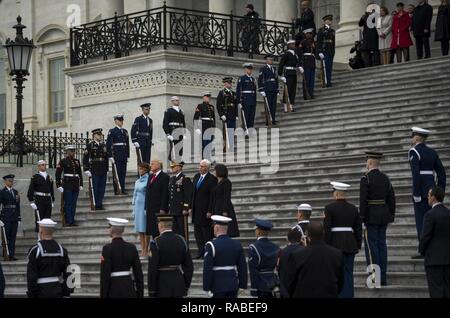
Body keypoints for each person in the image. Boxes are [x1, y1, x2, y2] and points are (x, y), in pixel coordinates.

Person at [409, 127, 446, 259]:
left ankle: (423, 250)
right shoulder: (432, 152)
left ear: (417, 138)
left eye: (412, 136)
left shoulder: (414, 152)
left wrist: (416, 194)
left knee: (422, 222)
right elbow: (442, 173)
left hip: (422, 193)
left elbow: (416, 176)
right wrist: (440, 191)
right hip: (433, 192)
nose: (411, 138)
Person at [360, 151, 396, 286]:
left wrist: (362, 217)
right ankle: (383, 278)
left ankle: (375, 279)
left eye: (366, 162)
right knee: (382, 246)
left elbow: (363, 200)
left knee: (371, 248)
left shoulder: (366, 178)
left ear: (369, 163)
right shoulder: (385, 178)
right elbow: (391, 198)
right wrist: (391, 214)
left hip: (371, 216)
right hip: (384, 215)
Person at [323, 181, 362, 298]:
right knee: (349, 273)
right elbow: (358, 228)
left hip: (334, 244)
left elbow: (327, 229)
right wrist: (358, 244)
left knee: (335, 273)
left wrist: (326, 245)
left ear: (335, 194)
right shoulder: (353, 208)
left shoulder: (329, 208)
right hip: (350, 243)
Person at [286, 221, 344, 298]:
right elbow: (340, 282)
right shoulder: (337, 254)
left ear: (307, 235)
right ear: (323, 233)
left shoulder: (297, 255)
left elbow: (291, 282)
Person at [148, 214, 194, 298]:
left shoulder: (155, 242)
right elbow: (189, 268)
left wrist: (152, 290)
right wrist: (185, 285)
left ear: (160, 225)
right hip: (178, 282)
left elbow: (152, 269)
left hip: (161, 283)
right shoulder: (182, 240)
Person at [203, 215, 247, 298]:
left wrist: (206, 287)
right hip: (233, 284)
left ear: (216, 228)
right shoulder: (237, 244)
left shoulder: (211, 245)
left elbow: (207, 268)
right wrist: (242, 285)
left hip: (217, 285)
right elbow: (242, 267)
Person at [26, 219, 73, 298]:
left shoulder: (35, 250)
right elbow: (69, 274)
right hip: (57, 290)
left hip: (40, 291)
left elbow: (31, 276)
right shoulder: (62, 250)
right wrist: (66, 292)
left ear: (41, 231)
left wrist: (31, 293)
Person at [100, 217, 144, 298]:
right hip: (129, 288)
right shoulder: (131, 247)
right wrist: (140, 294)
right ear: (122, 230)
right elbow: (138, 274)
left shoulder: (107, 249)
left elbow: (105, 277)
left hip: (113, 290)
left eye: (109, 227)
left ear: (111, 230)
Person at [419, 187, 450, 298]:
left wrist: (422, 251)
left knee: (436, 291)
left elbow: (425, 237)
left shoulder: (430, 215)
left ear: (433, 197)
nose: (427, 197)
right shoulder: (448, 213)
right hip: (448, 259)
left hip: (433, 260)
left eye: (429, 195)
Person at [191, 159, 218, 259]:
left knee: (206, 233)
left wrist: (210, 210)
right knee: (197, 233)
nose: (200, 168)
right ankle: (200, 251)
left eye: (202, 166)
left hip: (206, 210)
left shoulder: (212, 179)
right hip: (196, 210)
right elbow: (192, 193)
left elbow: (212, 197)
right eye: (200, 166)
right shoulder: (196, 177)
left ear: (207, 167)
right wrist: (190, 207)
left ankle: (208, 252)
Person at [248, 219, 280, 298]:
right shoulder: (275, 247)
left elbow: (253, 271)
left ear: (258, 232)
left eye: (255, 230)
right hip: (273, 284)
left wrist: (254, 290)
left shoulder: (254, 247)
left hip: (260, 285)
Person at [56, 145, 83, 227]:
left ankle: (72, 219)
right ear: (67, 151)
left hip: (75, 184)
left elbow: (80, 174)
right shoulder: (63, 161)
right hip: (67, 184)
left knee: (74, 203)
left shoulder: (77, 161)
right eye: (71, 151)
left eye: (74, 151)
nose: (73, 152)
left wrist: (81, 184)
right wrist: (58, 185)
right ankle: (69, 220)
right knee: (68, 203)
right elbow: (58, 173)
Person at [210, 164, 240, 238]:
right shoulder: (216, 182)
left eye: (215, 170)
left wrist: (225, 210)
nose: (214, 172)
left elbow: (227, 197)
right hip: (216, 206)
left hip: (223, 207)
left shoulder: (226, 182)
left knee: (224, 227)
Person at [83, 128, 109, 211]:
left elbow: (106, 158)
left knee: (102, 188)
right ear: (94, 135)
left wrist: (107, 169)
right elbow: (85, 158)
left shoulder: (103, 145)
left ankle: (99, 204)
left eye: (100, 135)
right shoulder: (90, 145)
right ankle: (95, 204)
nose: (100, 136)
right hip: (94, 169)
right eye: (98, 134)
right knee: (95, 188)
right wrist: (86, 169)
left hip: (103, 169)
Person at [27, 160, 55, 233]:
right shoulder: (35, 177)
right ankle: (40, 235)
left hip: (48, 199)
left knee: (47, 217)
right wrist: (31, 201)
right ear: (38, 166)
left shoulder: (49, 176)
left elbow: (51, 190)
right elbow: (31, 189)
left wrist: (52, 200)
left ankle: (46, 233)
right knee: (39, 217)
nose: (44, 166)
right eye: (42, 165)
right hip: (39, 199)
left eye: (45, 165)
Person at [145, 160, 169, 240]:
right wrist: (145, 206)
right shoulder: (150, 176)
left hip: (158, 207)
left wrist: (163, 208)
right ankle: (154, 247)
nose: (151, 165)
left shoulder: (164, 176)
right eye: (151, 164)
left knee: (158, 230)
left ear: (159, 165)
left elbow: (165, 193)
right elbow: (147, 192)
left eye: (153, 164)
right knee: (152, 230)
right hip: (150, 208)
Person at [168, 161, 192, 239]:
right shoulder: (172, 179)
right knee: (175, 231)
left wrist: (185, 208)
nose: (172, 168)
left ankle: (185, 248)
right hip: (173, 209)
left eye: (174, 167)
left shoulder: (185, 179)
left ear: (179, 167)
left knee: (182, 230)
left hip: (181, 209)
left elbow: (187, 195)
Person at [106, 114, 130, 195]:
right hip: (116, 154)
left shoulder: (125, 131)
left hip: (123, 154)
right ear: (116, 121)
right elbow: (108, 144)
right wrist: (110, 156)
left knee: (123, 173)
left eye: (122, 120)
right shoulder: (112, 131)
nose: (121, 122)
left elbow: (127, 144)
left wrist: (127, 155)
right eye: (120, 120)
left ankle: (122, 189)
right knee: (117, 173)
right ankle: (117, 189)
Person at [278, 229, 304, 298]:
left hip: (286, 290)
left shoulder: (282, 252)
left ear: (288, 239)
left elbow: (280, 270)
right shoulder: (305, 250)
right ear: (300, 239)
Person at [0, 174, 21, 261]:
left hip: (14, 217)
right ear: (5, 181)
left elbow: (18, 205)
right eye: (9, 181)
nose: (11, 182)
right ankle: (6, 254)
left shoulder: (15, 192)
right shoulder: (2, 192)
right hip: (6, 216)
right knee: (6, 236)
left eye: (12, 181)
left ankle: (12, 254)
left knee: (13, 237)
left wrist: (19, 217)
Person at [278, 40, 302, 112]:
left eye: (294, 44)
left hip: (294, 73)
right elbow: (281, 64)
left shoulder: (295, 54)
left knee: (293, 90)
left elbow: (297, 63)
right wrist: (280, 75)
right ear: (289, 46)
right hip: (288, 73)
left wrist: (299, 67)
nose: (294, 45)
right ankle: (285, 106)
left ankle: (291, 106)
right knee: (287, 90)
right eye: (292, 44)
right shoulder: (286, 54)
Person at [132, 163, 150, 257]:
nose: (140, 170)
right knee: (140, 229)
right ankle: (142, 249)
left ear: (146, 170)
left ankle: (146, 249)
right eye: (139, 169)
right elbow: (134, 194)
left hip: (144, 205)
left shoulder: (149, 180)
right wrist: (133, 207)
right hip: (137, 206)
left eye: (142, 169)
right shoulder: (137, 181)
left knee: (145, 229)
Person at [217, 77, 238, 151]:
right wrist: (221, 114)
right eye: (229, 83)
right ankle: (225, 146)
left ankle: (231, 146)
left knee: (232, 131)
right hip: (226, 115)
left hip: (232, 115)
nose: (230, 84)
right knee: (226, 131)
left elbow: (235, 105)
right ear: (225, 84)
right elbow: (218, 105)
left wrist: (236, 115)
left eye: (231, 83)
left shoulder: (233, 93)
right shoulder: (222, 93)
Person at [163, 96, 186, 162]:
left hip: (180, 131)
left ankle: (178, 162)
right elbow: (165, 124)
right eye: (176, 100)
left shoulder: (181, 111)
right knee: (173, 148)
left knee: (180, 148)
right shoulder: (168, 111)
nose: (177, 101)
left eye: (178, 100)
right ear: (172, 101)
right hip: (172, 131)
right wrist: (168, 134)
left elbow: (183, 123)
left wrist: (184, 133)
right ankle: (173, 163)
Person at [258, 55, 279, 126]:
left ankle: (273, 119)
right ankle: (268, 120)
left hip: (273, 89)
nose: (271, 61)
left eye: (272, 59)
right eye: (269, 59)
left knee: (273, 106)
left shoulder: (274, 68)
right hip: (267, 88)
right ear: (266, 60)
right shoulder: (263, 69)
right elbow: (260, 79)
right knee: (268, 105)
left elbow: (276, 79)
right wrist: (261, 89)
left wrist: (277, 89)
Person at [194, 92, 216, 158]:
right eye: (207, 97)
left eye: (209, 97)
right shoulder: (200, 106)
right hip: (204, 126)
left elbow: (213, 118)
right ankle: (205, 159)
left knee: (210, 143)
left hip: (210, 125)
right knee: (205, 143)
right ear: (203, 97)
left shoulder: (212, 107)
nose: (208, 98)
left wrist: (214, 127)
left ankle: (208, 158)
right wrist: (196, 128)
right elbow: (196, 117)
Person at [236, 63, 257, 130]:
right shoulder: (242, 78)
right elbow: (238, 90)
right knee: (246, 117)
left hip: (252, 101)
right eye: (248, 69)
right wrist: (239, 102)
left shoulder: (253, 79)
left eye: (251, 69)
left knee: (251, 117)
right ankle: (246, 131)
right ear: (245, 69)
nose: (250, 70)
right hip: (245, 100)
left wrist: (255, 101)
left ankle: (250, 130)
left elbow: (254, 91)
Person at [317, 15, 336, 87]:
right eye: (328, 20)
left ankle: (329, 81)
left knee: (329, 67)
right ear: (325, 21)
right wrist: (319, 51)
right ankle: (324, 82)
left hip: (330, 51)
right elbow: (318, 42)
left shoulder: (332, 31)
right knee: (324, 67)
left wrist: (334, 51)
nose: (330, 21)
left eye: (330, 20)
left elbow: (333, 42)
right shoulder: (321, 30)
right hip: (324, 51)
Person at [298, 29, 317, 99]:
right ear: (305, 35)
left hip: (312, 62)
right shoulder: (303, 42)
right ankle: (306, 94)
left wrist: (315, 48)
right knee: (307, 79)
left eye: (310, 34)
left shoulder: (313, 42)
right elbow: (300, 53)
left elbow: (315, 53)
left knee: (312, 80)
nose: (310, 35)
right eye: (308, 34)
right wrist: (300, 64)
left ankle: (311, 93)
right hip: (306, 62)